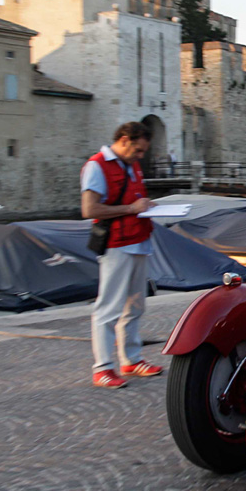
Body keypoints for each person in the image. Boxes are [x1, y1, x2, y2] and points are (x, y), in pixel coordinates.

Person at [81, 122, 160, 389]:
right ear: (125, 140)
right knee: (109, 307)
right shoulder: (97, 165)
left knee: (136, 305)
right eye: (138, 150)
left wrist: (146, 206)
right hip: (116, 244)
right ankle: (102, 367)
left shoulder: (131, 164)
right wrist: (130, 208)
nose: (140, 157)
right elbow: (89, 209)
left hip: (138, 241)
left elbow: (133, 199)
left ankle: (131, 359)